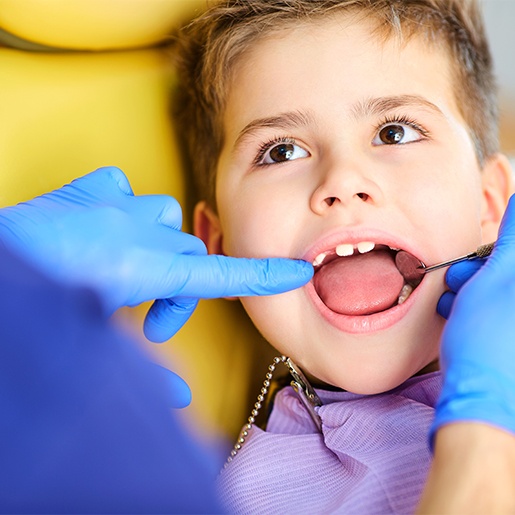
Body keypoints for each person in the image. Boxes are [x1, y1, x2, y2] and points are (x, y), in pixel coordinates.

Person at [171, 0, 515, 512]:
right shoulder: (248, 496)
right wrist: (483, 422)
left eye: (394, 131)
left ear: (492, 203)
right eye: (281, 150)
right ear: (218, 247)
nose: (343, 182)